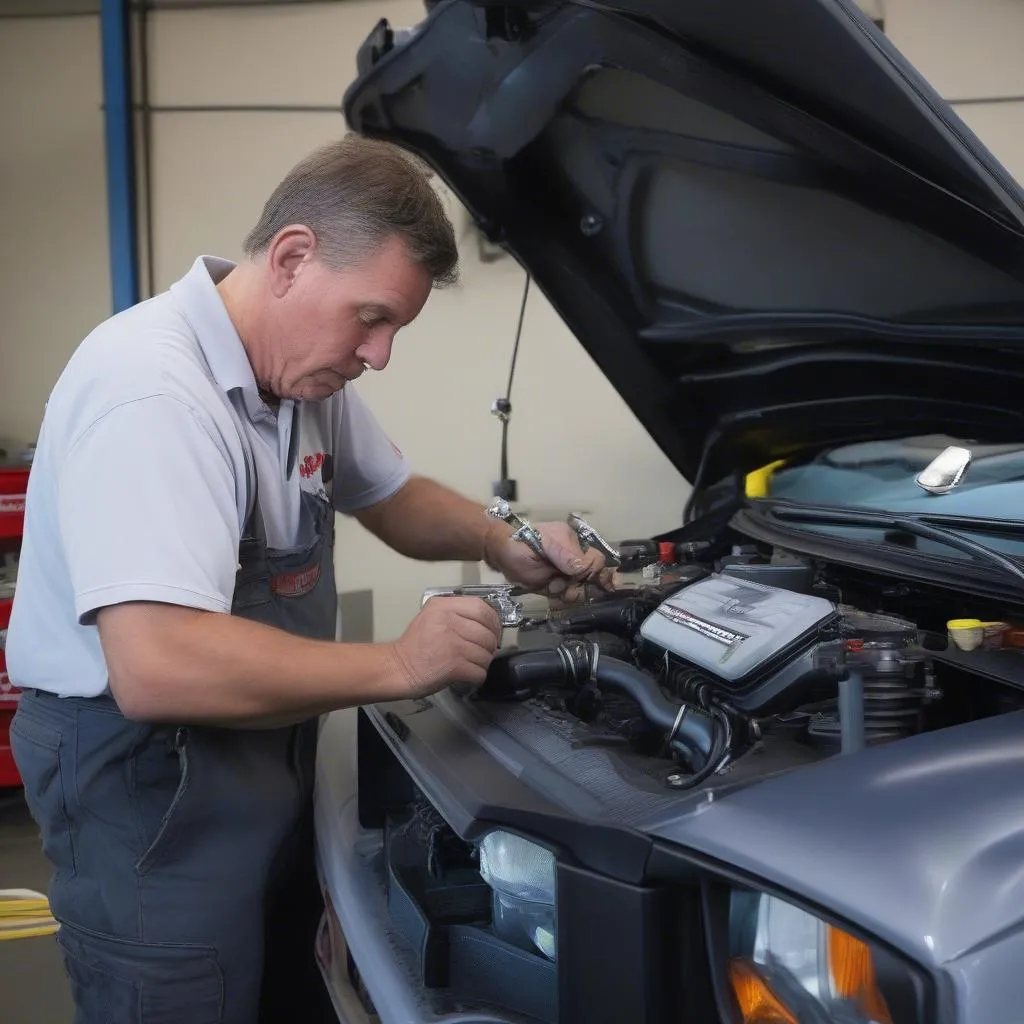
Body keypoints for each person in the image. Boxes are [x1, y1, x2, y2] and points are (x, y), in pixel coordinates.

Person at [5, 135, 608, 1024]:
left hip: (258, 758)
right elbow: (157, 664)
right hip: (144, 792)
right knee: (183, 998)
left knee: (283, 985)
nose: (380, 354)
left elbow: (393, 496)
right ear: (291, 257)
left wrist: (501, 538)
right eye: (371, 318)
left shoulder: (299, 380)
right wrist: (403, 665)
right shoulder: (153, 393)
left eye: (396, 327)